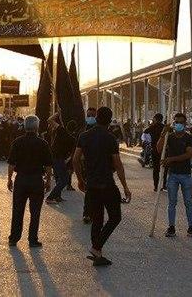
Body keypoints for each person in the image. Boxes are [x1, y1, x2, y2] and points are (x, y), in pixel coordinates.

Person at [73, 106, 131, 267]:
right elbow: (117, 164)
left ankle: (97, 253)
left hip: (91, 184)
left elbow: (75, 160)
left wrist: (80, 180)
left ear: (97, 118)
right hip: (107, 184)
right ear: (110, 120)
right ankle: (97, 247)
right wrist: (125, 187)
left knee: (97, 219)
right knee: (115, 217)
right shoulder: (110, 138)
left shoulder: (84, 136)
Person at [7, 115, 52, 247]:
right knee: (35, 212)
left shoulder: (17, 142)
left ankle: (14, 238)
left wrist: (9, 179)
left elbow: (11, 163)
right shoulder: (43, 143)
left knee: (17, 210)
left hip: (21, 179)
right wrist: (48, 180)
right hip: (36, 180)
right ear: (37, 127)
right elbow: (48, 165)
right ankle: (33, 239)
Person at [159, 112, 192, 238]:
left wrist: (171, 159)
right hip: (173, 175)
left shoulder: (189, 138)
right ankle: (171, 227)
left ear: (185, 124)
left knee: (188, 202)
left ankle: (191, 227)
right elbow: (159, 149)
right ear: (174, 123)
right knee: (172, 203)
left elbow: (189, 154)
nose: (179, 124)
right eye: (177, 122)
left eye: (181, 122)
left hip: (185, 175)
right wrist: (163, 134)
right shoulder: (169, 137)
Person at [46, 114, 75, 204]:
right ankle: (50, 197)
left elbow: (49, 119)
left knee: (59, 179)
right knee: (64, 179)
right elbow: (71, 154)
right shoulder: (73, 139)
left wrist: (58, 113)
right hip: (60, 159)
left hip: (53, 157)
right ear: (74, 130)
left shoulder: (61, 130)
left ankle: (57, 196)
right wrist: (68, 163)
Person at [145, 113, 166, 192]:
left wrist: (152, 124)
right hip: (164, 150)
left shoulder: (152, 127)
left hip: (155, 150)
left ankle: (156, 186)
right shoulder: (165, 127)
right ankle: (164, 185)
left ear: (155, 119)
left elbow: (145, 132)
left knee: (156, 169)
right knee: (164, 168)